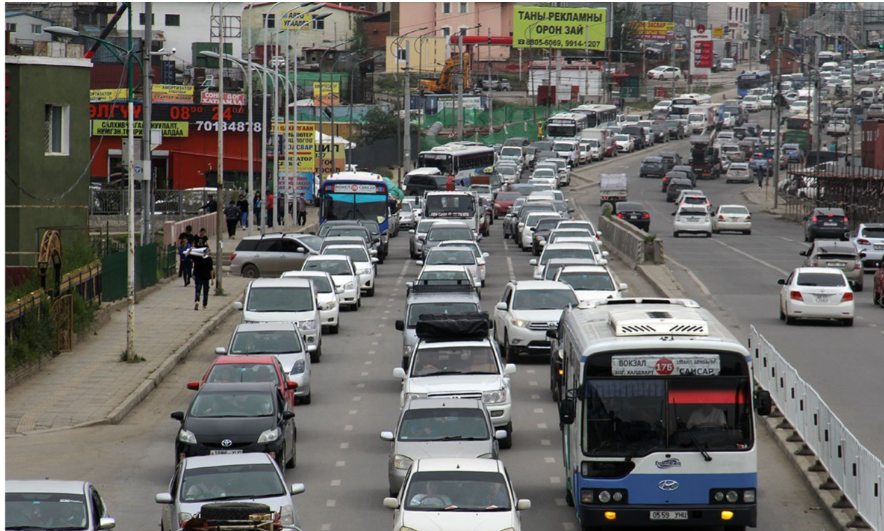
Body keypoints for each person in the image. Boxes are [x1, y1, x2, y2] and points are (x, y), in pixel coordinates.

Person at [190, 246, 214, 311]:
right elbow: (211, 269)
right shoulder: (209, 259)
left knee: (198, 290)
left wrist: (191, 249)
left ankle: (197, 301)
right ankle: (204, 305)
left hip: (198, 276)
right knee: (205, 291)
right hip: (206, 277)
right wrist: (212, 279)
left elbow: (188, 255)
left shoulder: (198, 257)